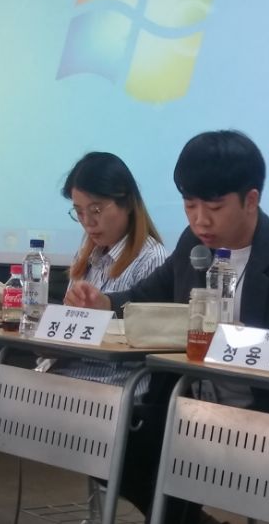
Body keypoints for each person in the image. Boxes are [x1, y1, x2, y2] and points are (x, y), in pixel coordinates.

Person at [66, 130, 269, 522]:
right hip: (193, 413)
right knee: (105, 439)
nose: (200, 220)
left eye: (213, 206)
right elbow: (146, 295)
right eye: (189, 205)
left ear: (251, 200)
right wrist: (104, 303)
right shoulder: (192, 245)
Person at [46, 151, 167, 385]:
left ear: (128, 203)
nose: (88, 222)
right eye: (79, 212)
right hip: (67, 375)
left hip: (114, 385)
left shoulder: (152, 258)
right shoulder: (86, 256)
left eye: (96, 210)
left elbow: (147, 342)